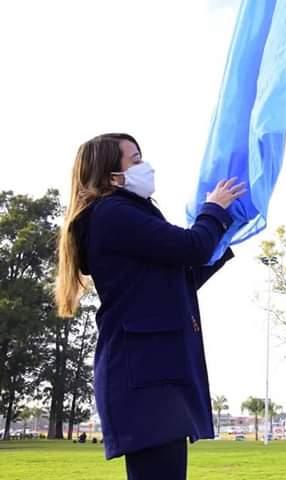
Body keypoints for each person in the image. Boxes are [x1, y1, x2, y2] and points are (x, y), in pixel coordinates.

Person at [55, 133, 246, 480]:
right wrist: (214, 210)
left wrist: (224, 239)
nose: (146, 166)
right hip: (145, 377)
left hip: (151, 373)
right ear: (113, 176)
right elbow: (190, 247)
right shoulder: (114, 213)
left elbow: (178, 278)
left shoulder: (122, 215)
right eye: (136, 159)